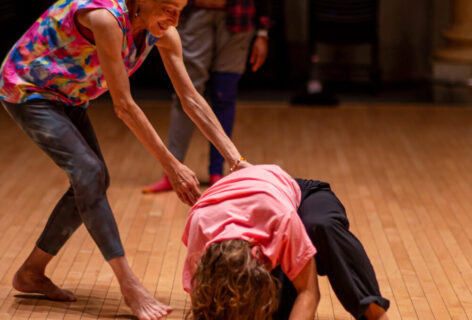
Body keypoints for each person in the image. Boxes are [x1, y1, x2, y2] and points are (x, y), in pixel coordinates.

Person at [0, 0, 250, 319]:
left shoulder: (163, 32)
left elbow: (190, 98)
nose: (175, 17)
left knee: (94, 179)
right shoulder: (105, 18)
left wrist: (235, 159)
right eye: (168, 6)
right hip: (28, 90)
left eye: (181, 8)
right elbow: (124, 106)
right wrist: (171, 165)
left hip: (69, 94)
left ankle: (31, 273)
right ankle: (129, 284)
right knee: (90, 173)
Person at [182, 164, 390, 320]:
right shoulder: (200, 229)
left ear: (259, 256)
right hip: (254, 205)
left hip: (302, 195)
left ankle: (375, 312)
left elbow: (309, 292)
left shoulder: (281, 218)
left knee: (321, 227)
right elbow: (204, 307)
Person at [142, 0, 270, 193]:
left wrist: (263, 32)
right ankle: (172, 172)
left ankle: (217, 172)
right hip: (195, 13)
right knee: (185, 90)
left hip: (238, 16)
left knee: (224, 94)